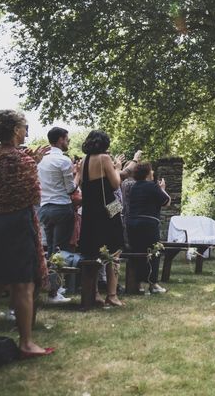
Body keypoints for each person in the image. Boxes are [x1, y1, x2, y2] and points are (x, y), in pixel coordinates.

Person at [0, 109, 53, 357]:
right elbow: (33, 195)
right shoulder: (22, 161)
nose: (27, 131)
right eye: (25, 126)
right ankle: (26, 342)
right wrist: (33, 163)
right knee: (23, 284)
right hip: (18, 224)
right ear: (16, 130)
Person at [78, 130, 125, 306]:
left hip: (90, 211)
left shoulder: (83, 162)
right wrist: (117, 169)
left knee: (93, 251)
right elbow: (115, 184)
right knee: (114, 250)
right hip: (108, 209)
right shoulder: (104, 159)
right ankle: (112, 295)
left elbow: (83, 185)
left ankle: (95, 293)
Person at [37, 127, 77, 304]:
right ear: (60, 139)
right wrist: (79, 175)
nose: (68, 142)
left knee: (50, 249)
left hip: (44, 208)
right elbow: (70, 189)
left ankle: (49, 287)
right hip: (61, 207)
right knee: (59, 250)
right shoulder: (63, 160)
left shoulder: (40, 160)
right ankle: (54, 292)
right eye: (67, 139)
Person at [126, 162, 171, 294]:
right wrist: (162, 188)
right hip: (148, 224)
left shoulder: (134, 187)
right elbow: (166, 201)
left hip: (133, 223)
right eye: (151, 171)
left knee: (137, 252)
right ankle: (153, 284)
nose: (153, 173)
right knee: (153, 252)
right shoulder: (152, 186)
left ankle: (138, 283)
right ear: (147, 173)